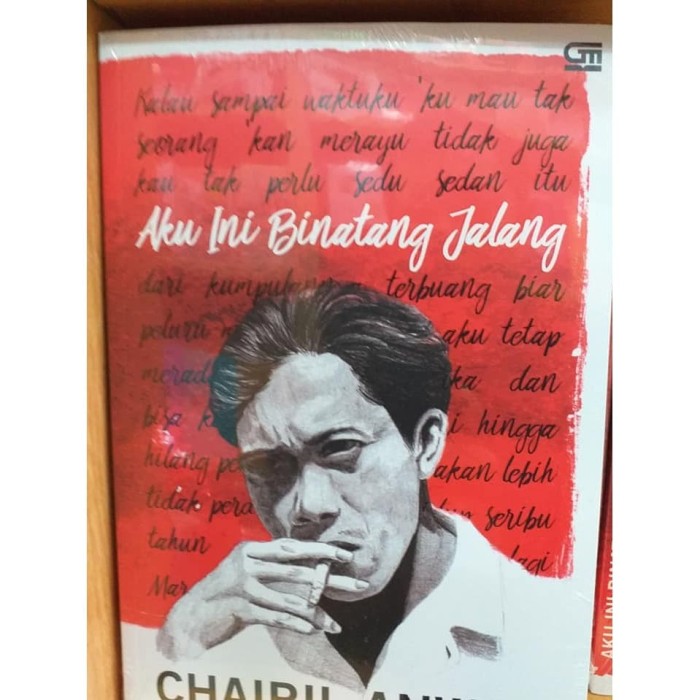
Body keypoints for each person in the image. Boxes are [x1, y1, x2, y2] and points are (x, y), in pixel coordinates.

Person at [128, 279, 574, 700]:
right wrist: (181, 640)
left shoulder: (549, 630)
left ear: (425, 443)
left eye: (341, 448)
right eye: (269, 466)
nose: (310, 505)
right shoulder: (211, 631)